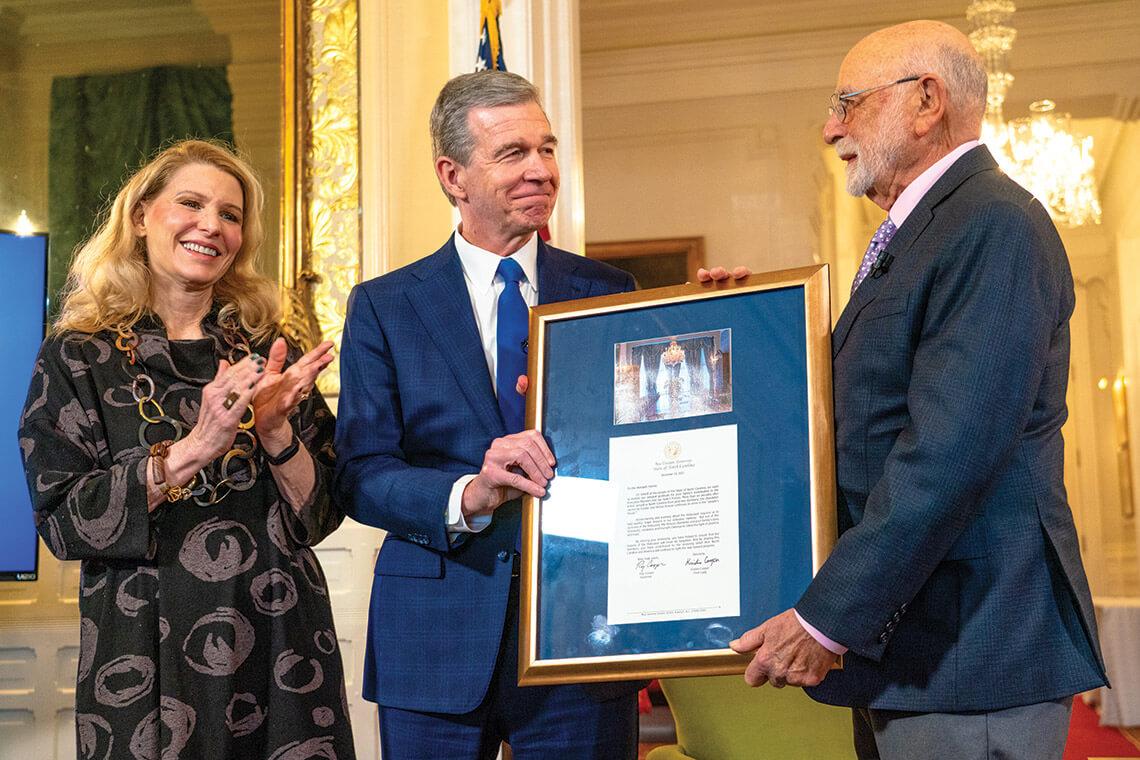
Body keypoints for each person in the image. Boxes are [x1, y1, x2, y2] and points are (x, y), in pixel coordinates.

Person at [729, 20, 1108, 760]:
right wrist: (745, 325)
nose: (830, 125)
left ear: (926, 101)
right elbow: (856, 421)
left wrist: (824, 620)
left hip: (972, 653)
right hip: (912, 658)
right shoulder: (922, 235)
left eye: (849, 101)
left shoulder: (992, 223)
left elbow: (948, 455)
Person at [333, 70, 648, 759]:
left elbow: (651, 446)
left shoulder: (611, 292)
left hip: (582, 641)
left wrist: (729, 323)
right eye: (513, 154)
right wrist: (468, 494)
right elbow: (360, 473)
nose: (541, 169)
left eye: (547, 148)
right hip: (433, 640)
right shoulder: (385, 306)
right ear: (453, 175)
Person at [19, 139, 355, 759]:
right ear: (142, 216)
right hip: (143, 655)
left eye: (230, 214)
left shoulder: (265, 348)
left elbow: (321, 514)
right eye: (192, 203)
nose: (212, 225)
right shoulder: (77, 355)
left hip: (281, 639)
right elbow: (65, 524)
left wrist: (278, 432)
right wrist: (196, 448)